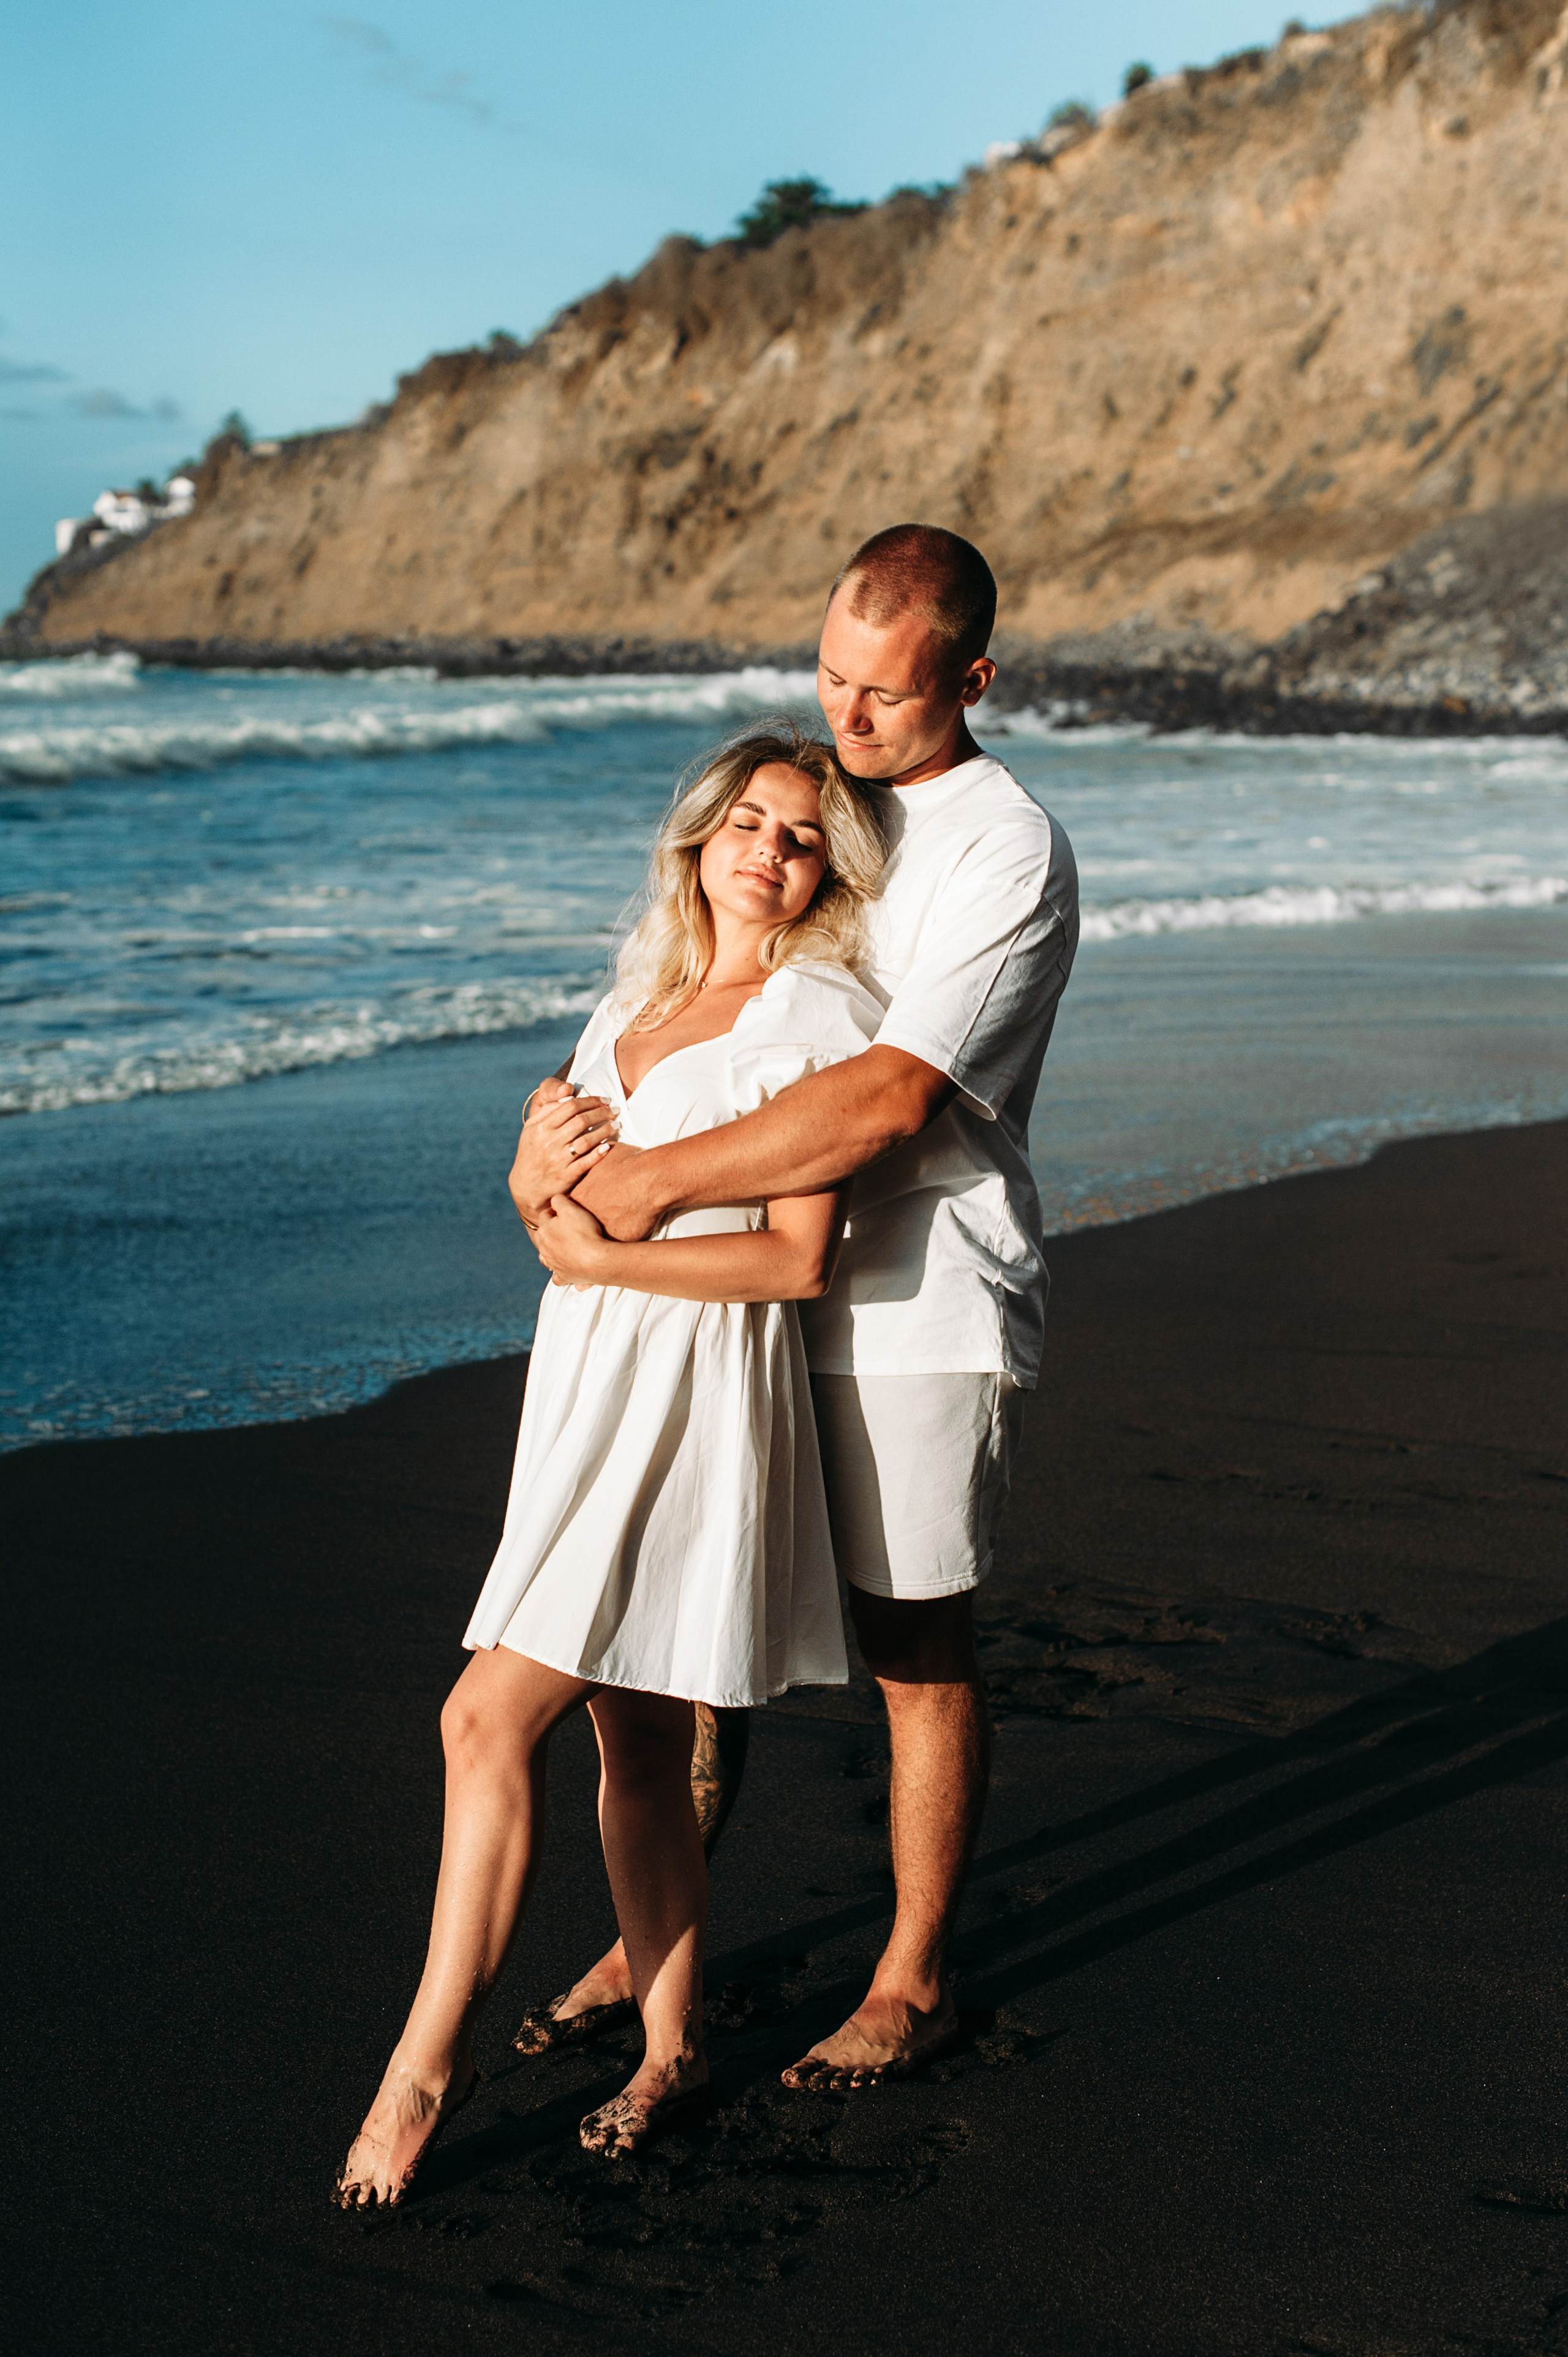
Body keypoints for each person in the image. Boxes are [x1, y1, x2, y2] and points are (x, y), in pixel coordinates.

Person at [510, 524, 1079, 2091]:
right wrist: (554, 1162)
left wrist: (650, 1188)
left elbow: (890, 1095)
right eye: (828, 677)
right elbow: (700, 989)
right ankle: (651, 1934)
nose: (848, 717)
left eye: (885, 695)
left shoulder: (999, 849)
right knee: (698, 1617)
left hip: (917, 1294)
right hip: (743, 1293)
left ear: (967, 679)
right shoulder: (823, 807)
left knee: (911, 1636)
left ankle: (908, 1977)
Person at [334, 725, 890, 2205]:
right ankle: (669, 2046)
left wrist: (597, 1252)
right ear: (698, 836)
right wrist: (535, 1181)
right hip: (584, 1382)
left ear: (827, 867)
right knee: (634, 1744)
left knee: (480, 1718)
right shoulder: (630, 1000)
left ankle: (423, 2063)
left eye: (801, 835)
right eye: (750, 824)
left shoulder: (820, 1016)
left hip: (692, 1388)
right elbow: (550, 1200)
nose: (771, 853)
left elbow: (791, 1262)